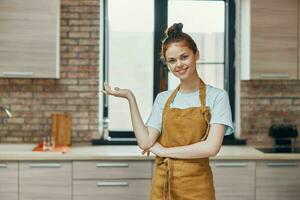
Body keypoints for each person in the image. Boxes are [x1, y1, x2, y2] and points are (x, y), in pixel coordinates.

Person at [103, 23, 234, 200]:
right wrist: (130, 98)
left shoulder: (217, 97)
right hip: (162, 184)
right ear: (167, 64)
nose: (178, 64)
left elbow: (211, 147)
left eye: (184, 57)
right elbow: (145, 142)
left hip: (197, 187)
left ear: (197, 55)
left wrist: (164, 151)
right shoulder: (163, 99)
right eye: (172, 61)